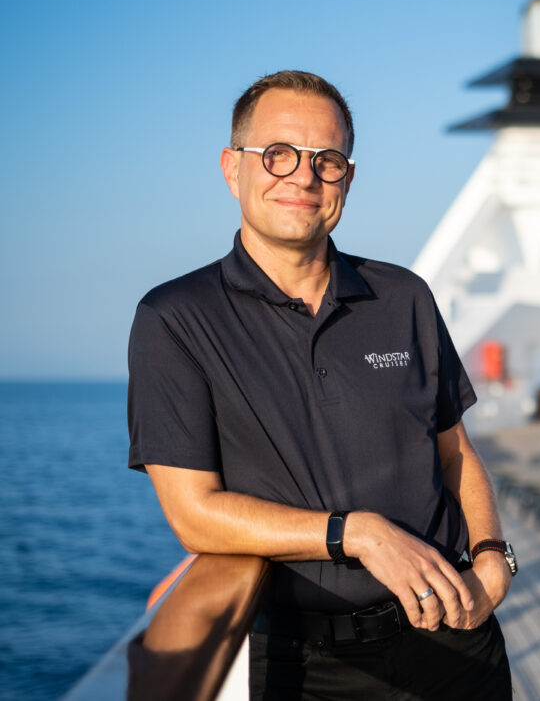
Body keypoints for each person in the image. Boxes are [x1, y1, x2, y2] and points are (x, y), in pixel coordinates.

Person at [127, 70, 515, 699]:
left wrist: (495, 557)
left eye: (327, 160)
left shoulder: (404, 296)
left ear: (347, 179)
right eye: (277, 155)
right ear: (233, 169)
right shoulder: (174, 318)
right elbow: (195, 516)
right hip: (304, 664)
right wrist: (356, 532)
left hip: (454, 637)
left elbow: (456, 452)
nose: (303, 178)